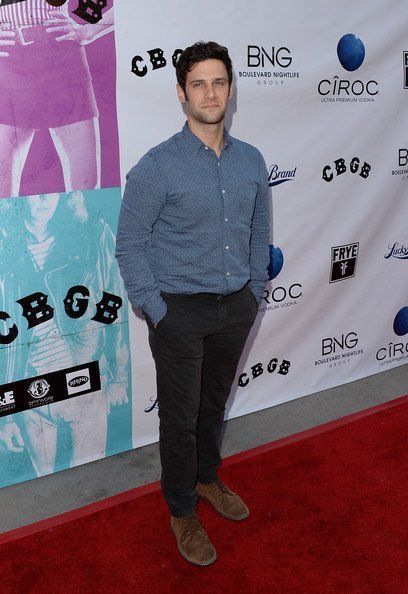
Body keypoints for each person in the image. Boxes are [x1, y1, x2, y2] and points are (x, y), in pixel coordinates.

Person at [116, 41, 270, 566]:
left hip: (235, 308)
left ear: (231, 89)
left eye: (218, 82)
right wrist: (157, 311)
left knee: (213, 406)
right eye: (198, 84)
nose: (210, 93)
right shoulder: (157, 166)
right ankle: (181, 510)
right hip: (178, 312)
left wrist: (254, 294)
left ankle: (207, 479)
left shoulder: (251, 161)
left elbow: (259, 235)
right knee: (179, 420)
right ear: (181, 93)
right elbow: (129, 245)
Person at [0, 191, 129, 481]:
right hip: (31, 392)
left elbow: (115, 302)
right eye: (34, 191)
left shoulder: (91, 234)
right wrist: (4, 418)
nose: (45, 198)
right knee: (41, 486)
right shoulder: (5, 246)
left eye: (52, 190)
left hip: (86, 383)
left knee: (92, 480)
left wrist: (120, 377)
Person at [0, 1, 114, 198]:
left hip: (62, 55)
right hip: (9, 61)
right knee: (4, 198)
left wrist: (90, 30)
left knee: (86, 191)